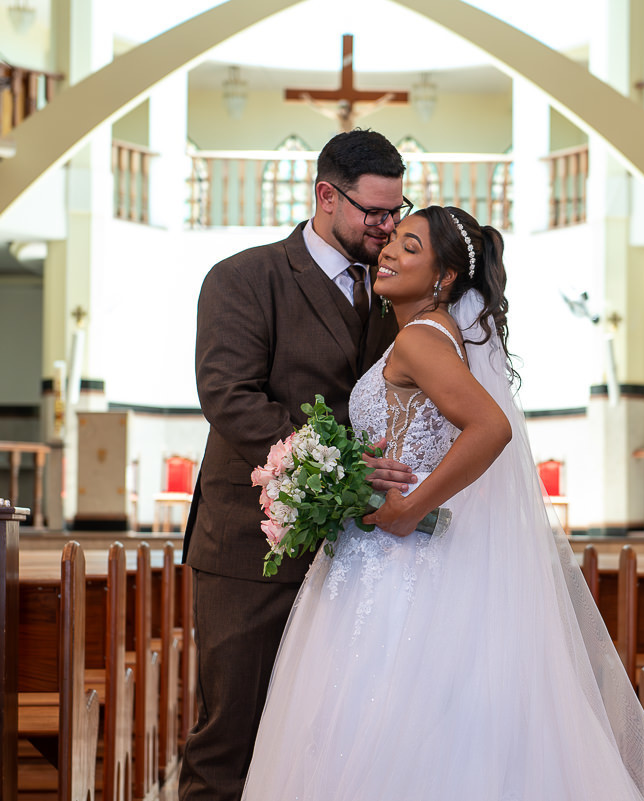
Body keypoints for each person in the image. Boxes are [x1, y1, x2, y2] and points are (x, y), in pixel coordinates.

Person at [240, 206, 644, 800]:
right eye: (392, 241)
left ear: (445, 277)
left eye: (410, 247)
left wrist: (410, 507)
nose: (388, 252)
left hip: (396, 563)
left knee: (378, 725)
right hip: (399, 557)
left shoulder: (421, 338)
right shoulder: (436, 334)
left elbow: (491, 428)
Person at [180, 129, 417, 801]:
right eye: (374, 212)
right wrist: (341, 466)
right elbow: (229, 396)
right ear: (326, 196)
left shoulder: (396, 289)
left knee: (330, 741)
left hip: (360, 554)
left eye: (397, 211)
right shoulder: (243, 278)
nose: (387, 227)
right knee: (232, 739)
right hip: (251, 545)